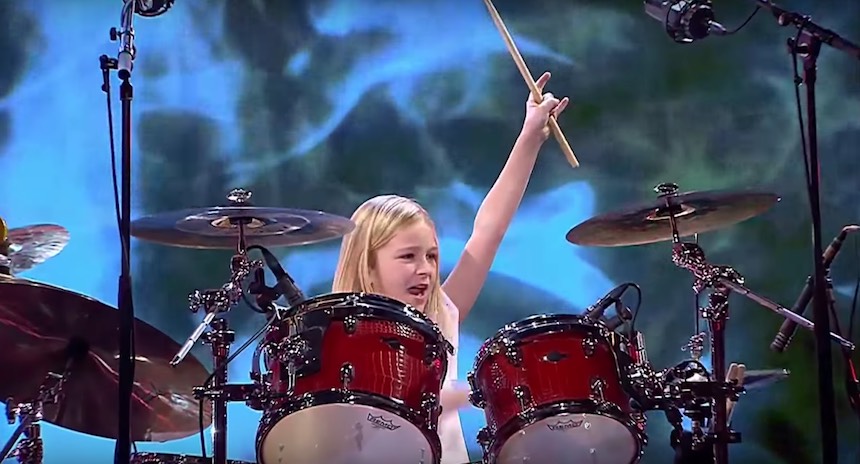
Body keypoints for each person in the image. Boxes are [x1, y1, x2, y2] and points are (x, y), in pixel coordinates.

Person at [332, 71, 570, 464]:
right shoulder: (338, 341)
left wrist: (529, 137)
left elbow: (488, 232)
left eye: (431, 256)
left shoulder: (439, 317)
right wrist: (448, 399)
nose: (425, 269)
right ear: (367, 265)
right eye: (408, 257)